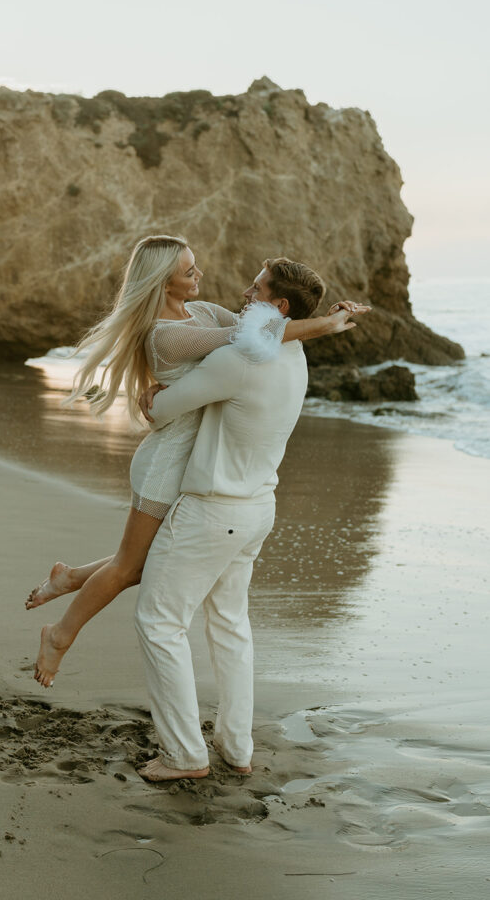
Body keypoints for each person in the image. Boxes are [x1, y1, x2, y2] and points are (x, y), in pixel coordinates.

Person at [25, 237, 367, 687]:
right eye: (189, 272)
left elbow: (264, 329)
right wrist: (326, 325)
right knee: (132, 566)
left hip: (195, 460)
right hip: (168, 463)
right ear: (163, 282)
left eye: (195, 267)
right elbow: (252, 336)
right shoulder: (164, 335)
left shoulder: (203, 312)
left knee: (150, 559)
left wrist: (312, 316)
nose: (199, 276)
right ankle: (60, 636)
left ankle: (69, 577)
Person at [134, 257, 363, 781]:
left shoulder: (242, 358)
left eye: (256, 288)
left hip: (214, 509)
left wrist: (152, 394)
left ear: (279, 307)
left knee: (159, 621)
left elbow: (164, 409)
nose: (245, 291)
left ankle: (184, 755)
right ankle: (236, 749)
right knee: (230, 626)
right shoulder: (294, 350)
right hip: (259, 507)